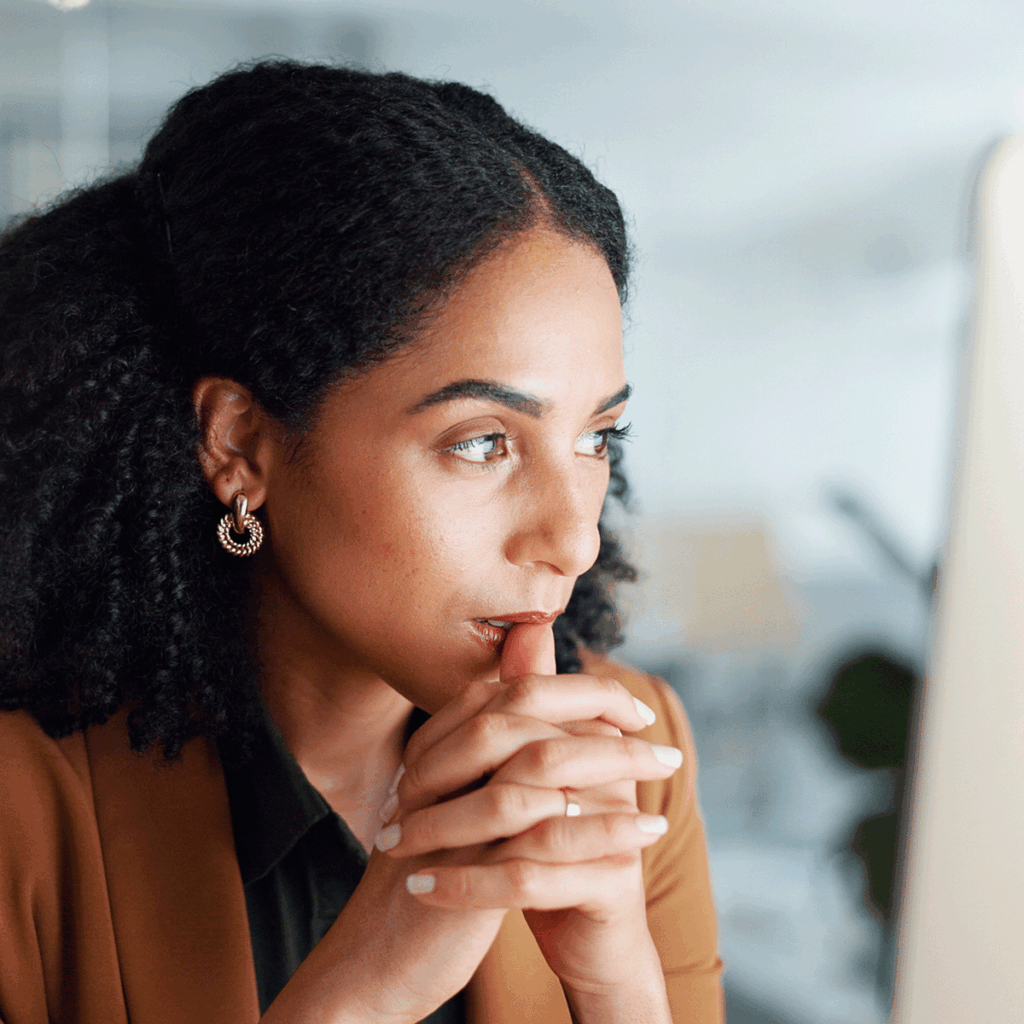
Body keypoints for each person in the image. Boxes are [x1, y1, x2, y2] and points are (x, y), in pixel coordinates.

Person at [0, 60, 723, 1024]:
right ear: (241, 446)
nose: (574, 539)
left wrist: (617, 987)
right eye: (482, 441)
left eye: (597, 438)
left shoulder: (630, 761)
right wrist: (359, 996)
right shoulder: (21, 810)